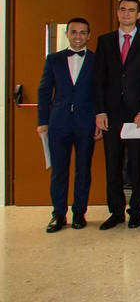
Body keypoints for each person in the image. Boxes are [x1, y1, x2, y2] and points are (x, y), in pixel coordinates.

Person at [93, 0, 140, 230]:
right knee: (112, 163)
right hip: (111, 114)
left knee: (136, 165)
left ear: (139, 15)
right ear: (117, 13)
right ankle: (116, 211)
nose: (127, 14)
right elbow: (98, 79)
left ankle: (135, 211)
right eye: (123, 10)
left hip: (136, 115)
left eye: (132, 10)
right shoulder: (105, 41)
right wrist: (99, 111)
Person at [37, 18, 96, 232]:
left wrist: (99, 119)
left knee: (83, 169)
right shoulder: (53, 59)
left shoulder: (95, 60)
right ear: (67, 34)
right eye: (74, 32)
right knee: (59, 170)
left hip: (86, 122)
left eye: (82, 32)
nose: (78, 36)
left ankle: (79, 212)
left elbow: (99, 93)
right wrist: (42, 121)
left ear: (88, 35)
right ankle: (58, 214)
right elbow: (44, 91)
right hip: (59, 122)